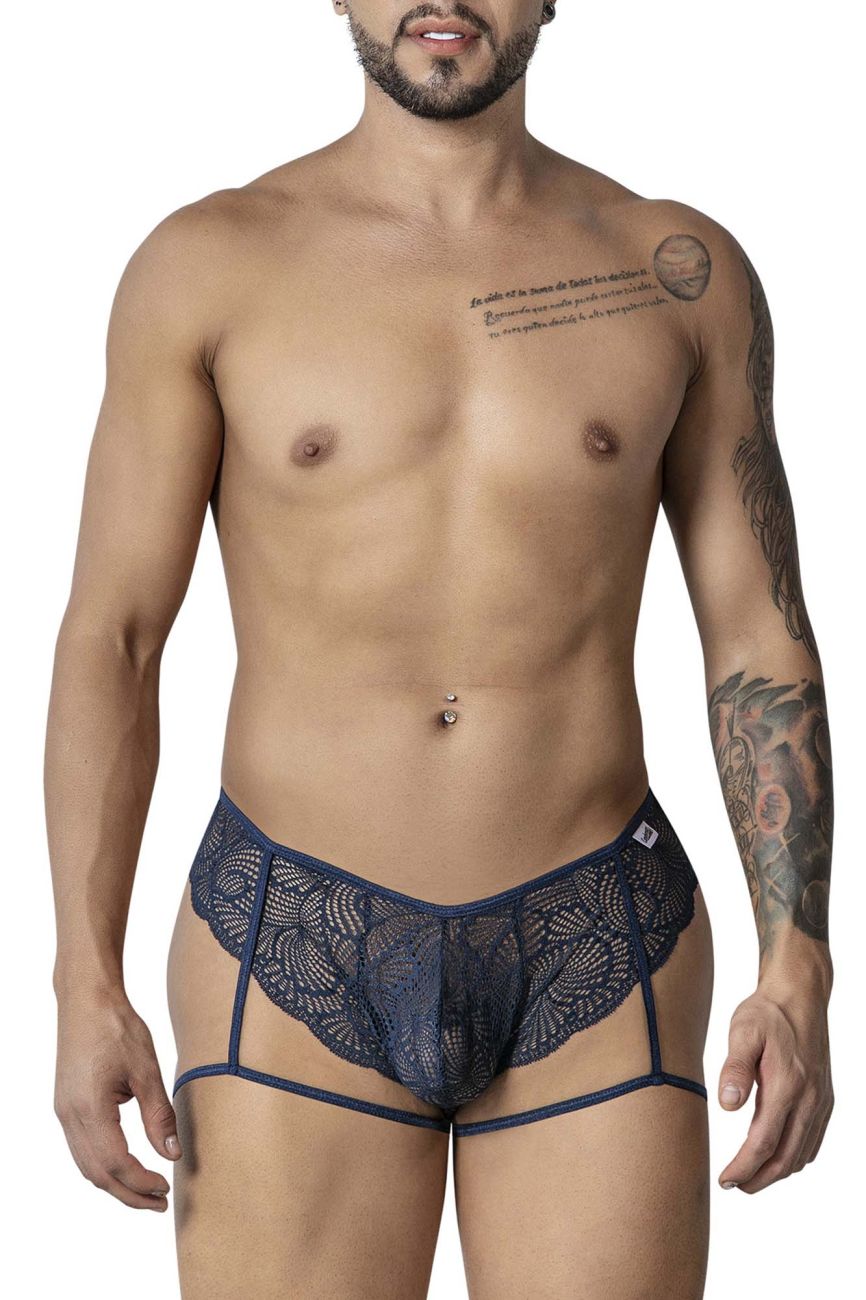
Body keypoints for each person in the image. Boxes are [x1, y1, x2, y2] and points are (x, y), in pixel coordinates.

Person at [45, 2, 835, 1296]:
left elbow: (758, 634)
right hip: (287, 938)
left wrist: (797, 962)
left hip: (598, 933)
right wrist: (85, 981)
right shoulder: (209, 264)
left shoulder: (672, 268)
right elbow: (115, 638)